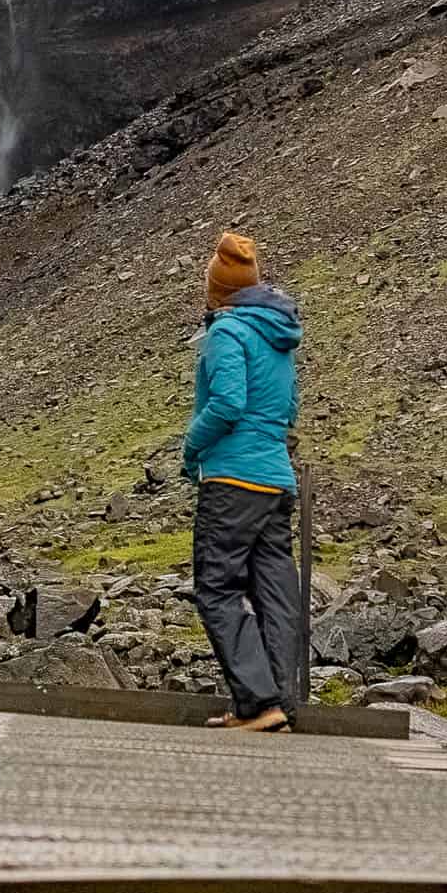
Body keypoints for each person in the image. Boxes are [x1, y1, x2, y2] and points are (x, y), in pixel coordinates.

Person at [181, 231, 303, 733]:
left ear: (216, 290)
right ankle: (280, 703)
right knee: (275, 590)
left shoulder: (227, 332)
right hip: (276, 482)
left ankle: (256, 701)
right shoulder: (278, 337)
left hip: (232, 481)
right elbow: (289, 409)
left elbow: (228, 403)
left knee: (216, 588)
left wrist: (191, 447)